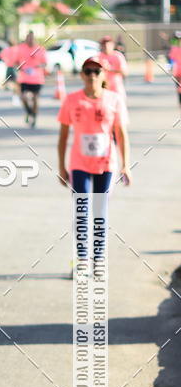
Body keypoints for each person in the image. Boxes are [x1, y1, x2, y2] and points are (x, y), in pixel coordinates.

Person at [57, 57, 131, 275]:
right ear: (81, 75)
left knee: (100, 212)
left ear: (104, 75)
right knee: (82, 211)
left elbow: (121, 134)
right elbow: (63, 137)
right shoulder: (71, 100)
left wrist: (126, 165)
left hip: (106, 164)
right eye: (87, 71)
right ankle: (81, 261)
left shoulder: (114, 100)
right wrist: (61, 167)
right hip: (79, 164)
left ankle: (98, 260)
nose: (92, 76)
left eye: (96, 72)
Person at [12, 31, 47, 127]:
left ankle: (34, 116)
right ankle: (29, 112)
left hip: (37, 79)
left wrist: (37, 66)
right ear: (26, 38)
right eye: (29, 38)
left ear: (34, 39)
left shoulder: (40, 49)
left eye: (32, 38)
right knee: (23, 97)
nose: (30, 40)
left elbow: (45, 63)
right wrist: (21, 68)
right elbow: (15, 62)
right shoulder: (20, 48)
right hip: (24, 78)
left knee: (35, 98)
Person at [98, 36, 128, 101]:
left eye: (108, 44)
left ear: (112, 45)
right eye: (104, 44)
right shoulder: (98, 56)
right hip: (104, 90)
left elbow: (125, 72)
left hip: (117, 90)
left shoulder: (118, 56)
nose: (106, 46)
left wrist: (111, 69)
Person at [168, 32, 181, 107]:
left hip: (177, 70)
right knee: (178, 86)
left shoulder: (173, 48)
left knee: (178, 86)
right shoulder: (174, 48)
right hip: (177, 70)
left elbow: (171, 60)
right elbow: (171, 60)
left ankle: (180, 101)